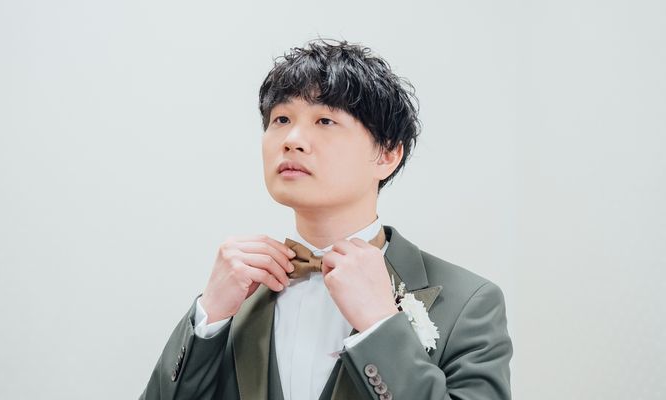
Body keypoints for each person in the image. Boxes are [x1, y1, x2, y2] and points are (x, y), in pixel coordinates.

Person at [140, 38, 512, 400]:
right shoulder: (237, 293)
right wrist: (210, 317)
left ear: (386, 155)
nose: (292, 139)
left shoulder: (469, 303)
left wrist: (382, 325)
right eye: (281, 119)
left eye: (325, 120)